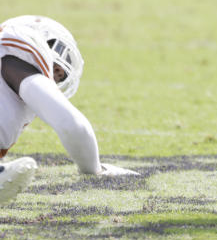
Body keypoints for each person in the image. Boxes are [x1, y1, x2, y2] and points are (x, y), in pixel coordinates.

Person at [0, 15, 138, 205]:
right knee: (22, 169)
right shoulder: (17, 57)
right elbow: (73, 126)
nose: (59, 73)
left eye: (63, 75)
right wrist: (95, 170)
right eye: (54, 45)